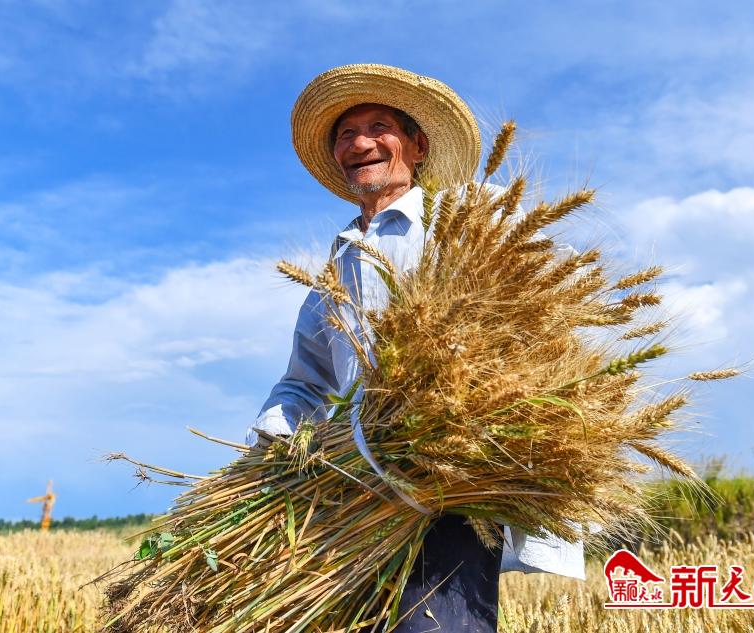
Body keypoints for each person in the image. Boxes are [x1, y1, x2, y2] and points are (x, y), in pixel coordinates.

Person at [247, 64, 586, 632]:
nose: (359, 143)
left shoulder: (474, 215)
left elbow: (540, 314)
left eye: (378, 125)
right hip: (356, 490)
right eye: (344, 134)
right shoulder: (338, 266)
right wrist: (272, 448)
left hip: (449, 477)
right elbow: (305, 381)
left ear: (419, 144)